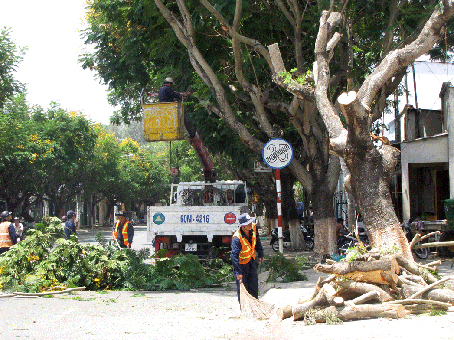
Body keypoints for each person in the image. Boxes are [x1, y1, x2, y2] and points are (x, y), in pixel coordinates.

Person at [231, 213, 264, 304]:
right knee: (243, 287)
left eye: (251, 221)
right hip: (241, 266)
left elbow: (257, 241)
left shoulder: (253, 227)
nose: (250, 224)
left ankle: (255, 305)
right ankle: (244, 308)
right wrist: (238, 272)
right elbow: (234, 256)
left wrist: (261, 254)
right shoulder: (237, 238)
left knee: (253, 285)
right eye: (248, 223)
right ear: (242, 226)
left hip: (251, 261)